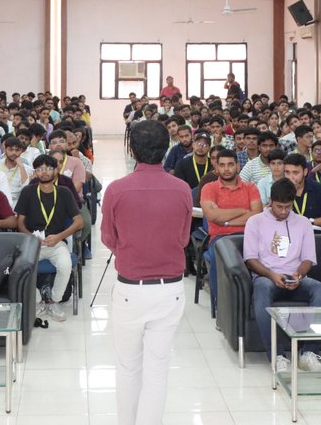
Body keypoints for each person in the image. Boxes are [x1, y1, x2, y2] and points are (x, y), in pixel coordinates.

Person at [101, 119, 192, 425]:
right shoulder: (181, 189)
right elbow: (182, 239)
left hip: (130, 289)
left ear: (131, 148)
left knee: (128, 368)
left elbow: (108, 239)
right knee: (157, 369)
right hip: (169, 290)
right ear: (167, 149)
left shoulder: (116, 190)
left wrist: (133, 248)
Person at [243, 177, 321, 373]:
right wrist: (272, 275)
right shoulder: (255, 222)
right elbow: (250, 259)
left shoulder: (303, 223)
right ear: (270, 200)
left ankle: (308, 352)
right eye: (279, 206)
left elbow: (308, 258)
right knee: (262, 289)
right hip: (267, 277)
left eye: (287, 207)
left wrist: (299, 274)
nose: (283, 211)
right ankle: (277, 355)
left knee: (320, 290)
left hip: (295, 278)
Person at [16, 154, 83, 323]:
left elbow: (79, 222)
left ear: (56, 170)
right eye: (39, 169)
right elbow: (20, 223)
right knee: (23, 268)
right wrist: (31, 237)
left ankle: (53, 301)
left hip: (56, 242)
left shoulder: (64, 192)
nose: (44, 172)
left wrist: (59, 237)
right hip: (33, 244)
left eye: (48, 168)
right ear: (35, 172)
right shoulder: (28, 191)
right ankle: (39, 300)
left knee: (65, 264)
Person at [199, 149, 263, 312]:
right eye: (222, 165)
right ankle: (221, 308)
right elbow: (211, 215)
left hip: (249, 236)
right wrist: (243, 210)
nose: (226, 169)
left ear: (238, 166)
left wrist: (225, 220)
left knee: (265, 257)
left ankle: (255, 304)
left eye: (230, 165)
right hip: (220, 238)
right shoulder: (209, 188)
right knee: (219, 257)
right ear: (216, 168)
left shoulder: (250, 188)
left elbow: (256, 215)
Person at [280, 154, 321, 229]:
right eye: (287, 172)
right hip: (288, 233)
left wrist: (309, 222)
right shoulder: (280, 189)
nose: (290, 177)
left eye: (295, 173)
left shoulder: (317, 188)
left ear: (305, 172)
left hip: (315, 234)